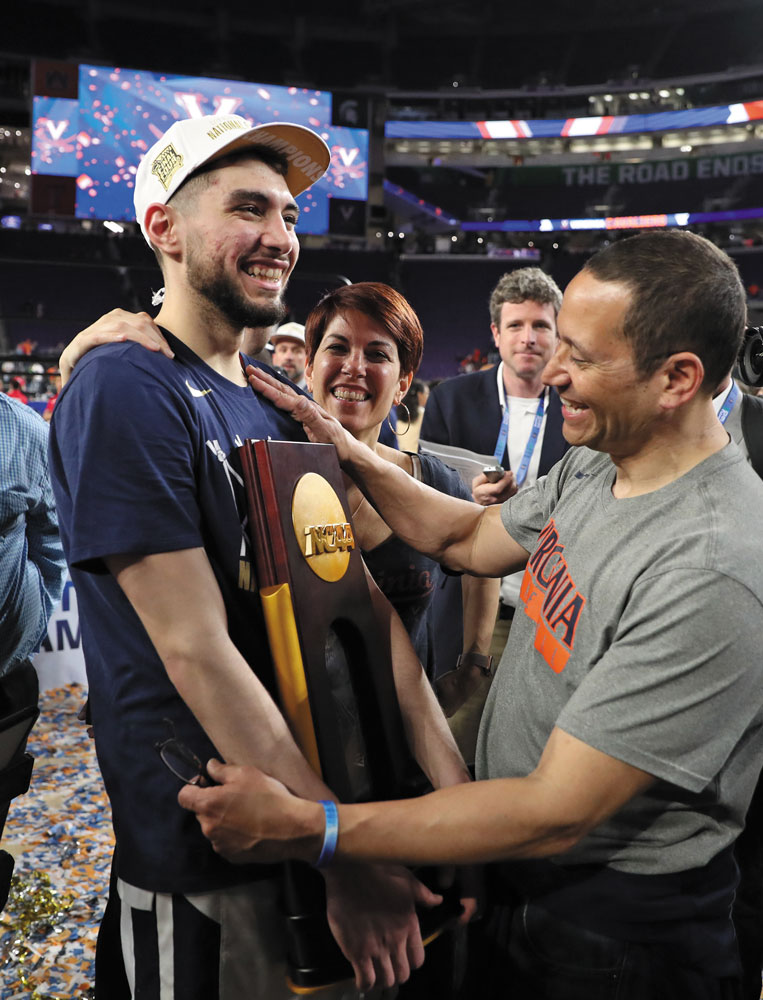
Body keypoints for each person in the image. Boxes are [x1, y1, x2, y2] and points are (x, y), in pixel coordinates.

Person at [181, 229, 763, 999]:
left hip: (612, 934)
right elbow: (464, 534)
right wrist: (346, 449)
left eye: (580, 358)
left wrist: (310, 830)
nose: (550, 372)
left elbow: (554, 811)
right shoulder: (601, 456)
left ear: (676, 379)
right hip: (522, 877)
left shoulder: (714, 566)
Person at [49, 113, 471, 1000]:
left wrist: (451, 798)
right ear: (164, 228)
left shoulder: (271, 407)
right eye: (248, 210)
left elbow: (362, 610)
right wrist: (336, 856)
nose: (280, 237)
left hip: (321, 819)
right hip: (212, 862)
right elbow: (195, 650)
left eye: (286, 214)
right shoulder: (126, 384)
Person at [269, 321, 308, 388]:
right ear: (274, 357)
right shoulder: (260, 391)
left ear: (308, 359)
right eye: (283, 350)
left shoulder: (318, 396)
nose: (288, 357)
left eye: (297, 351)